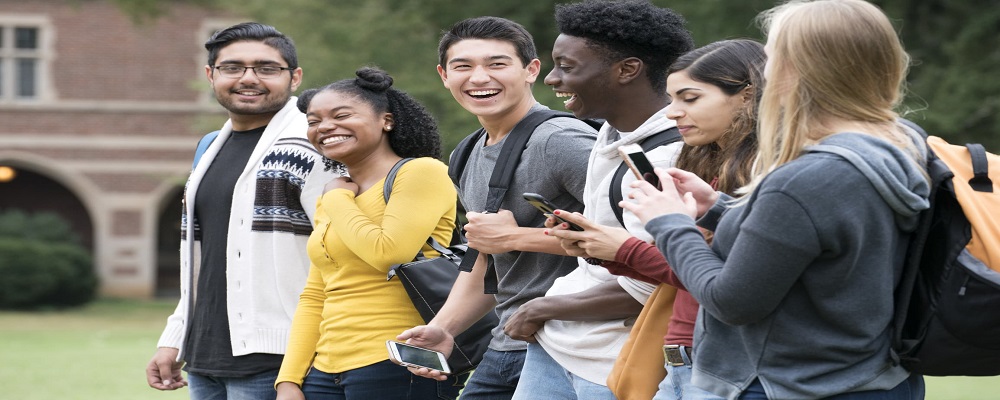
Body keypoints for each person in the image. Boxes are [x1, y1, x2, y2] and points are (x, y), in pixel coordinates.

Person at [623, 0, 929, 398]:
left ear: (795, 70)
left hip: (788, 385)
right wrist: (717, 208)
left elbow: (731, 301)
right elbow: (826, 238)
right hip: (876, 377)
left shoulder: (805, 176)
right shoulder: (902, 142)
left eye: (771, 54)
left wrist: (670, 223)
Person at [546, 38, 766, 400]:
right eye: (673, 98)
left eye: (690, 98)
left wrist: (627, 250)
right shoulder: (708, 167)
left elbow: (722, 280)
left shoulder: (769, 175)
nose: (673, 112)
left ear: (746, 96)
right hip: (684, 356)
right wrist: (605, 249)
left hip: (728, 363)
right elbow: (689, 270)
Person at [497, 1, 694, 399]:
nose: (552, 79)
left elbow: (656, 282)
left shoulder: (668, 157)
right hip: (558, 347)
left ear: (627, 69)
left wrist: (541, 309)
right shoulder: (610, 135)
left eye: (567, 67)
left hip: (614, 364)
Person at [396, 16, 596, 399]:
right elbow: (484, 257)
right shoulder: (467, 151)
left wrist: (516, 236)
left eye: (497, 64)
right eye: (463, 66)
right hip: (505, 341)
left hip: (571, 346)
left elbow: (636, 239)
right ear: (443, 75)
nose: (479, 78)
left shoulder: (562, 140)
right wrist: (445, 328)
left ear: (531, 70)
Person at [145, 22, 339, 399]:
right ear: (211, 75)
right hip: (205, 358)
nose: (248, 78)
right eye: (232, 68)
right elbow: (204, 257)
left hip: (278, 358)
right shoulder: (209, 147)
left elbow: (340, 257)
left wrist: (298, 367)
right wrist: (175, 337)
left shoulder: (314, 143)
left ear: (295, 77)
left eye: (267, 68)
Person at [273, 67, 462, 400]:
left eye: (341, 115)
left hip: (400, 360)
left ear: (385, 120)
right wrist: (289, 379)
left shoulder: (421, 172)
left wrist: (336, 198)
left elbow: (388, 253)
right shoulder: (335, 195)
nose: (325, 127)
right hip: (325, 369)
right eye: (314, 121)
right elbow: (317, 294)